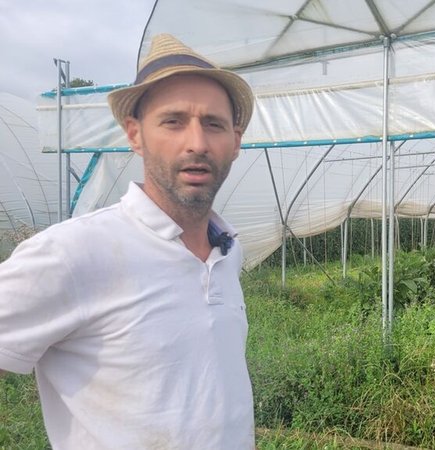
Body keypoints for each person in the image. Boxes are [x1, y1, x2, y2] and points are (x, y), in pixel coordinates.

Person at [0, 34, 256, 449]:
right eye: (173, 121)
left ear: (235, 141)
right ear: (135, 135)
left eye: (213, 123)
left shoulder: (226, 249)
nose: (197, 143)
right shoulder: (73, 253)